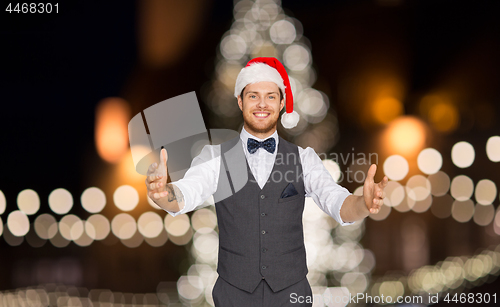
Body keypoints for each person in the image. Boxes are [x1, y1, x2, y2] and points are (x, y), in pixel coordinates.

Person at [145, 57, 388, 306]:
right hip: (233, 295)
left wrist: (363, 203)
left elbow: (337, 202)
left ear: (282, 103)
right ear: (240, 101)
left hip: (292, 295)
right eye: (253, 96)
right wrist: (163, 193)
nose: (262, 104)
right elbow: (186, 194)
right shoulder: (215, 158)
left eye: (271, 96)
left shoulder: (304, 159)